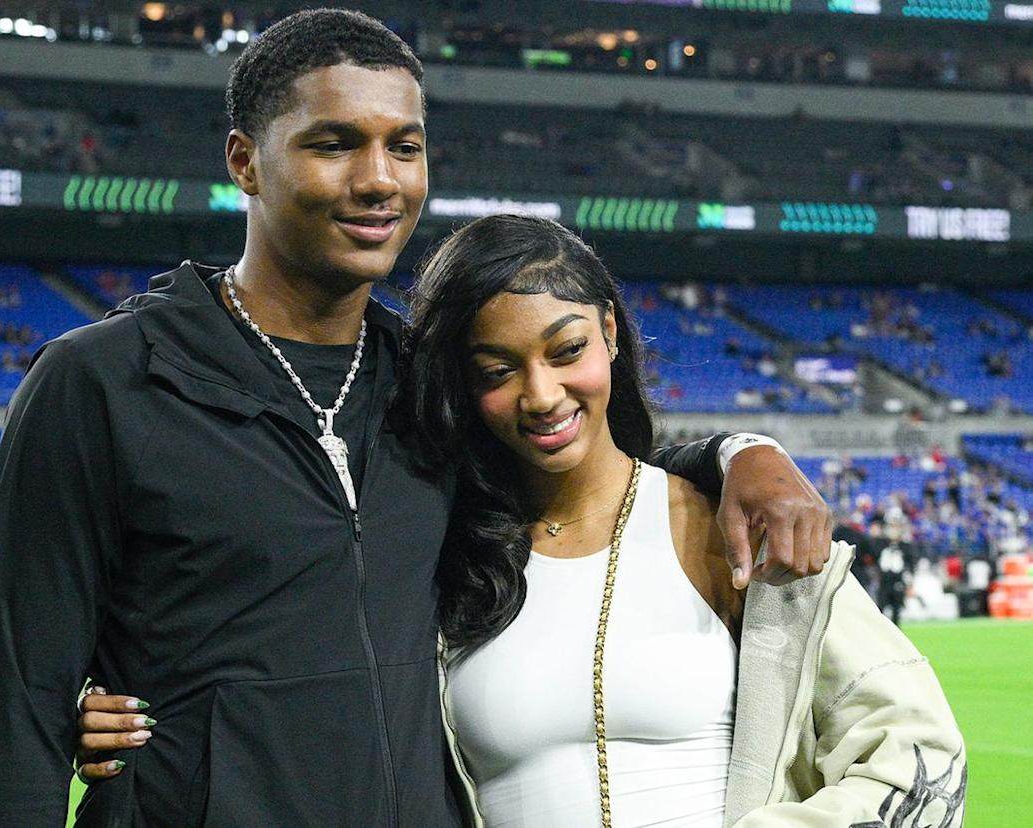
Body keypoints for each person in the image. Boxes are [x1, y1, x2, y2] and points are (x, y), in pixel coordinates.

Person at [0, 10, 830, 826]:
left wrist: (739, 454)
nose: (378, 180)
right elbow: (17, 710)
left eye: (402, 147)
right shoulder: (102, 384)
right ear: (245, 162)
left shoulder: (431, 382)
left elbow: (579, 459)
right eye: (334, 144)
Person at [79, 216, 965, 826]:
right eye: (497, 369)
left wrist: (743, 451)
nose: (542, 396)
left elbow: (922, 751)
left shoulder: (739, 531)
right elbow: (298, 672)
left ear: (611, 333)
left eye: (567, 350)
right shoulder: (434, 552)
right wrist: (125, 705)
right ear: (461, 387)